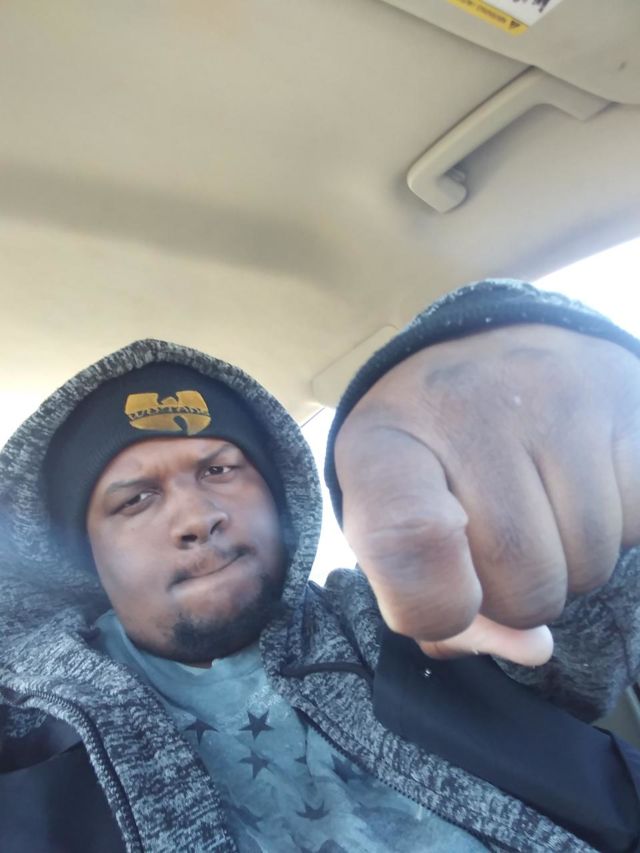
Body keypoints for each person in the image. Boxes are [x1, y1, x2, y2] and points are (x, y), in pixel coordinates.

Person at [0, 280, 639, 853]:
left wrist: (514, 343)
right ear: (84, 553)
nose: (196, 516)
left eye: (220, 469)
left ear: (280, 496)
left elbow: (586, 648)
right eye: (136, 500)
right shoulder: (27, 718)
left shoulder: (394, 612)